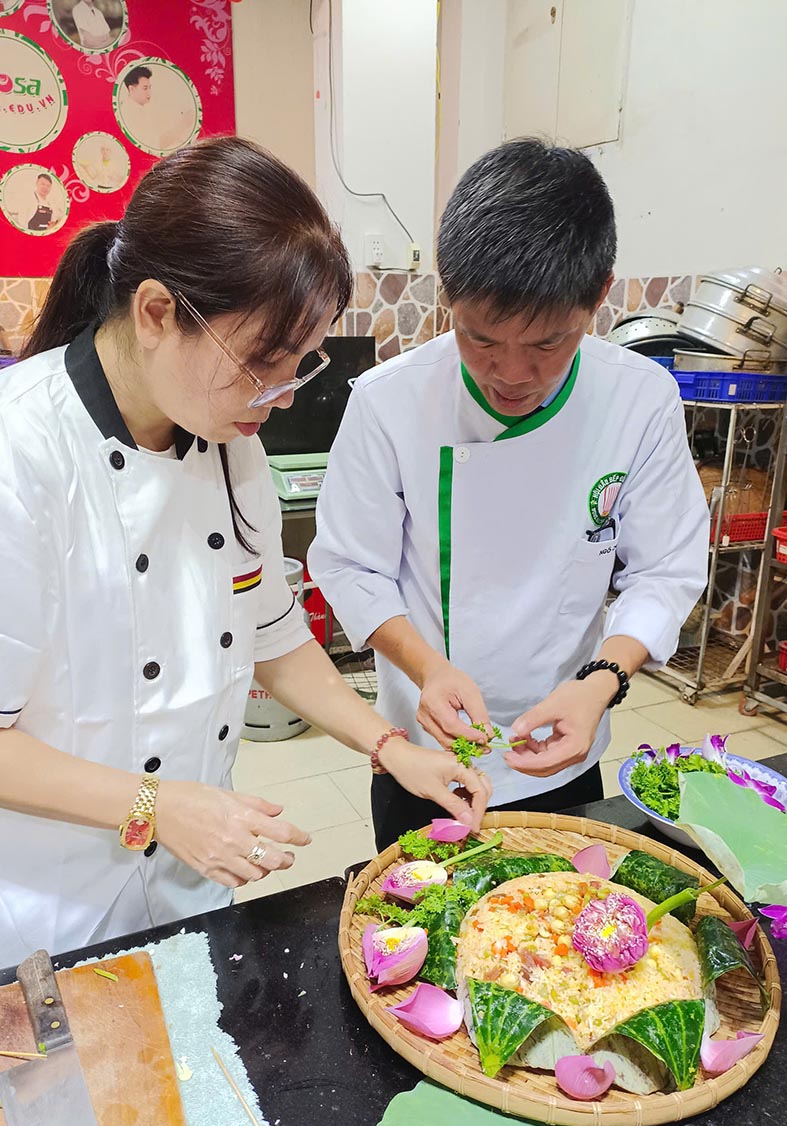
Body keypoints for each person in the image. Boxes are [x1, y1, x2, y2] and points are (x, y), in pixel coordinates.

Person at [0, 136, 489, 970]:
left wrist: (392, 747)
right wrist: (157, 806)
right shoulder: (22, 452)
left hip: (190, 884)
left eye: (300, 364)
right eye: (262, 362)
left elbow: (273, 635)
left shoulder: (231, 446)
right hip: (49, 914)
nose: (281, 396)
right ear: (156, 312)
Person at [308, 138, 709, 851]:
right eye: (482, 340)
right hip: (425, 751)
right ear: (447, 292)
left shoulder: (639, 399)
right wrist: (427, 668)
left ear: (598, 295)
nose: (512, 374)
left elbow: (665, 571)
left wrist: (599, 682)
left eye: (548, 343)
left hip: (567, 736)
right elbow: (349, 566)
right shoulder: (389, 401)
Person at [120, 63, 194, 156]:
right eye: (145, 88)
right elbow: (155, 145)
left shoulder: (143, 109)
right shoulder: (129, 113)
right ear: (131, 89)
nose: (149, 92)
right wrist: (182, 125)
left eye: (149, 88)